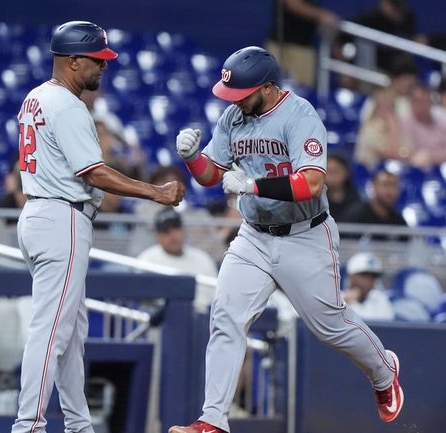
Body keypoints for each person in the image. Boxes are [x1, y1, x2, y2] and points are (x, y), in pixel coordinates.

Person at [169, 46, 402, 433]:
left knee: (330, 326)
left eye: (242, 93)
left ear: (267, 87)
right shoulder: (233, 116)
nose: (234, 101)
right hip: (254, 236)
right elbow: (212, 176)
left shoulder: (300, 115)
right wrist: (194, 158)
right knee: (226, 315)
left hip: (305, 234)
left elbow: (312, 183)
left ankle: (383, 371)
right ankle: (213, 421)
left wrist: (253, 184)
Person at [11, 21, 185, 433]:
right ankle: (28, 427)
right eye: (97, 60)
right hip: (61, 217)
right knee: (52, 331)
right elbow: (94, 173)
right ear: (72, 61)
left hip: (40, 213)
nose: (103, 68)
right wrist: (155, 192)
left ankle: (78, 425)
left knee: (70, 332)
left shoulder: (35, 97)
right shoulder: (69, 105)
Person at [137, 207, 219, 312]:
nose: (173, 236)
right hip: (162, 321)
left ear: (183, 230)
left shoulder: (203, 259)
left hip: (202, 319)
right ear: (158, 236)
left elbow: (216, 298)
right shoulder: (146, 261)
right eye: (166, 231)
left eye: (176, 228)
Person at [265, 0, 340, 87]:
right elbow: (292, 4)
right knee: (272, 90)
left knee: (302, 93)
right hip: (280, 47)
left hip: (304, 50)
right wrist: (322, 15)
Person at [400, 84, 446, 168]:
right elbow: (415, 157)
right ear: (411, 103)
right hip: (425, 173)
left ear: (431, 102)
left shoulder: (443, 118)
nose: (422, 106)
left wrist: (433, 156)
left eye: (425, 101)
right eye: (418, 101)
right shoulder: (405, 123)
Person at [345, 0, 419, 73]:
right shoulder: (369, 18)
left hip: (397, 73)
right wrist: (347, 68)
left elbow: (411, 44)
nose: (395, 9)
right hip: (371, 72)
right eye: (393, 5)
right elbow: (343, 38)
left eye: (399, 6)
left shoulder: (407, 17)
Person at [354, 88, 408, 168]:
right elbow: (392, 154)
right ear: (376, 109)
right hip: (371, 172)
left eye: (391, 108)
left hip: (390, 169)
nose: (389, 112)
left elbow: (408, 150)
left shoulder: (398, 127)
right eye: (384, 107)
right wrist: (392, 125)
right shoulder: (370, 128)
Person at [341, 168, 407, 229]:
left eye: (394, 186)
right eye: (385, 185)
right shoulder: (355, 214)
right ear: (374, 186)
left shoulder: (398, 220)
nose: (390, 191)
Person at [343, 252, 395, 321]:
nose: (369, 280)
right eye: (364, 275)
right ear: (351, 277)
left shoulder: (380, 298)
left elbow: (381, 326)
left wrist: (353, 303)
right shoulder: (338, 298)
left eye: (373, 276)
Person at [325, 152, 363, 219]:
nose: (332, 177)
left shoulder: (356, 200)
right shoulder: (316, 200)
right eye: (329, 172)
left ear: (347, 172)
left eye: (336, 171)